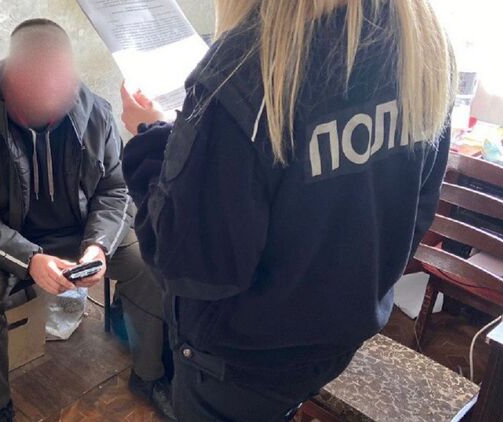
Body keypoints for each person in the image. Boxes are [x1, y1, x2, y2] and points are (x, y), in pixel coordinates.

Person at [120, 1, 456, 421]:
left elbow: (192, 265)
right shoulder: (420, 39)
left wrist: (151, 137)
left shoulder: (249, 66)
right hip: (337, 337)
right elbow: (416, 210)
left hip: (240, 365)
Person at [0, 19, 174, 422]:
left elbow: (116, 189)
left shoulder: (95, 112)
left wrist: (98, 246)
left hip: (81, 230)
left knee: (146, 260)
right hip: (7, 237)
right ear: (11, 78)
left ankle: (149, 375)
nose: (47, 105)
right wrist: (28, 258)